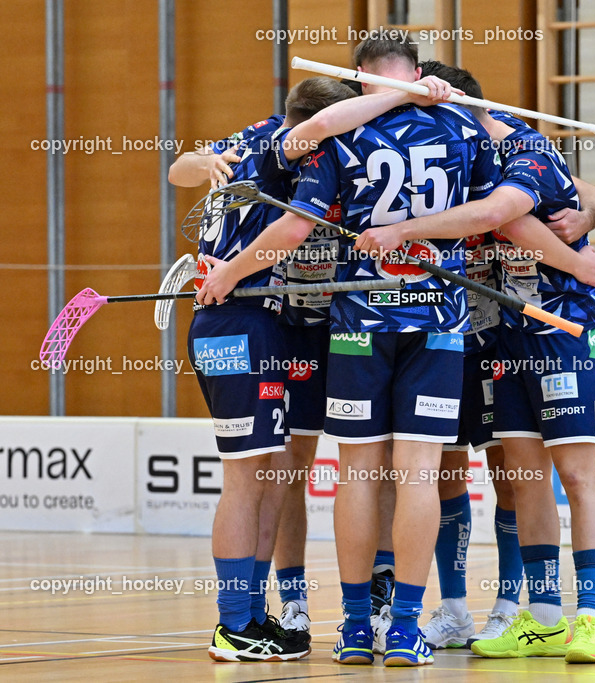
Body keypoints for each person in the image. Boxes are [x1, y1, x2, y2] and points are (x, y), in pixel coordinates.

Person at [195, 34, 503, 667]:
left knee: (358, 474)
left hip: (355, 323)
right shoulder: (461, 131)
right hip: (437, 321)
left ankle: (357, 628)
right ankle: (408, 629)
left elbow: (297, 200)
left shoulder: (339, 138)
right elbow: (498, 203)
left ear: (359, 76)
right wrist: (462, 109)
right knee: (414, 473)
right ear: (419, 73)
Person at [354, 63, 595, 664]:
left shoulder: (523, 145)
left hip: (562, 328)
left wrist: (403, 233)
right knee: (525, 479)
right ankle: (544, 619)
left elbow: (501, 217)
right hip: (499, 338)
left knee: (576, 472)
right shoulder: (464, 157)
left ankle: (591, 617)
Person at [169, 76, 352, 662]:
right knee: (248, 477)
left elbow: (180, 170)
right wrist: (230, 273)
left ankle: (253, 615)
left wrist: (198, 159)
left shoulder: (255, 135)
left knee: (272, 473)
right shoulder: (285, 145)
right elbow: (282, 231)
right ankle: (231, 624)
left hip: (266, 322)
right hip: (237, 322)